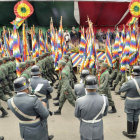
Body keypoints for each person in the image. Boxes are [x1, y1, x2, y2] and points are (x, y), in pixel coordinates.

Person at [75, 75, 108, 140]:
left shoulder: (79, 100)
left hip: (85, 127)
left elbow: (77, 115)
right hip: (98, 127)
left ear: (85, 87)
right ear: (96, 86)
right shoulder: (104, 99)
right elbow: (104, 114)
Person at [117, 66, 140, 138]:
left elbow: (121, 90)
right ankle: (134, 133)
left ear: (133, 74)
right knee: (136, 116)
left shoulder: (130, 82)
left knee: (130, 117)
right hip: (139, 102)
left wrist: (124, 84)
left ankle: (130, 134)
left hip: (130, 102)